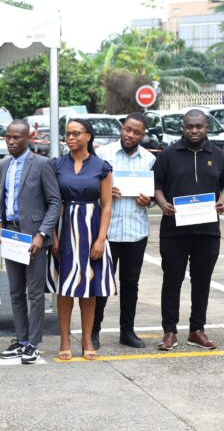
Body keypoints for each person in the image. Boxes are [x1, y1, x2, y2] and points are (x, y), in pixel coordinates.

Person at [153, 109, 224, 351]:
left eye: (199, 126)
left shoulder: (218, 155)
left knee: (202, 281)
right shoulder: (168, 155)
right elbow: (155, 185)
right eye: (190, 126)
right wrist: (162, 202)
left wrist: (223, 200)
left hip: (207, 230)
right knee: (172, 280)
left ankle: (197, 330)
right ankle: (169, 331)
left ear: (206, 127)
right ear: (183, 127)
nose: (195, 130)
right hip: (173, 230)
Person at [0, 120, 61, 365]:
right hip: (12, 235)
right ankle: (21, 340)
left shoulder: (42, 164)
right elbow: (3, 198)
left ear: (28, 138)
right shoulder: (3, 165)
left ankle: (33, 344)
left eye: (16, 138)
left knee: (34, 293)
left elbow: (54, 202)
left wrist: (42, 233)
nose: (11, 142)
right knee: (15, 292)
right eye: (8, 137)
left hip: (34, 237)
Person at [49, 119, 115, 361]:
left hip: (91, 228)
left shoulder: (102, 167)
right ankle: (64, 339)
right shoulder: (56, 165)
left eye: (76, 133)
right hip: (64, 227)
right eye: (67, 134)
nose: (70, 138)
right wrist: (53, 236)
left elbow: (107, 206)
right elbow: (51, 202)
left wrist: (101, 239)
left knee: (90, 287)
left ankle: (87, 339)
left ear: (89, 136)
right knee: (65, 287)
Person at [93, 113, 156, 349]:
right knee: (101, 284)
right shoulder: (103, 155)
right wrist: (105, 193)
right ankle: (94, 330)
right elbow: (90, 187)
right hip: (106, 232)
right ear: (122, 128)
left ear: (143, 135)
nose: (130, 135)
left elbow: (153, 194)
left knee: (131, 284)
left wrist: (147, 200)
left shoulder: (149, 159)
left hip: (135, 232)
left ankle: (127, 332)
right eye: (127, 129)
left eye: (136, 132)